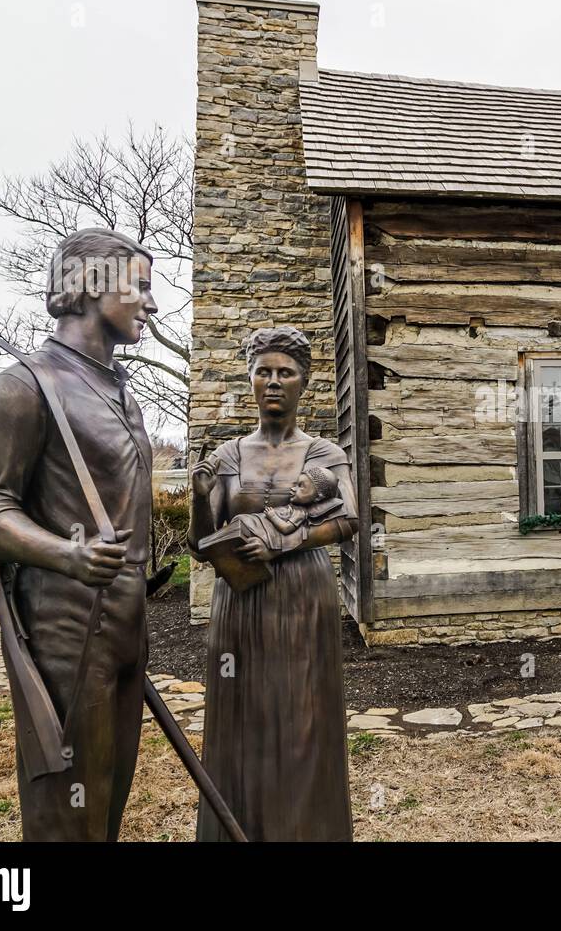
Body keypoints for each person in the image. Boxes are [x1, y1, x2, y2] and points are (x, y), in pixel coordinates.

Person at [0, 227, 158, 841]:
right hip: (65, 624)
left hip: (126, 617)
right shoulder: (23, 387)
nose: (151, 303)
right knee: (65, 809)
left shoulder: (120, 391)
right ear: (94, 286)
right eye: (140, 287)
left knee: (108, 793)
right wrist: (66, 554)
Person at [188, 326, 358, 841]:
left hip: (303, 596)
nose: (274, 381)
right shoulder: (228, 456)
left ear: (304, 381)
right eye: (264, 371)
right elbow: (200, 543)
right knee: (243, 719)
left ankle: (303, 829)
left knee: (302, 714)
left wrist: (284, 544)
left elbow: (349, 518)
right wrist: (199, 497)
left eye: (286, 372)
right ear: (250, 380)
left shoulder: (324, 452)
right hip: (240, 599)